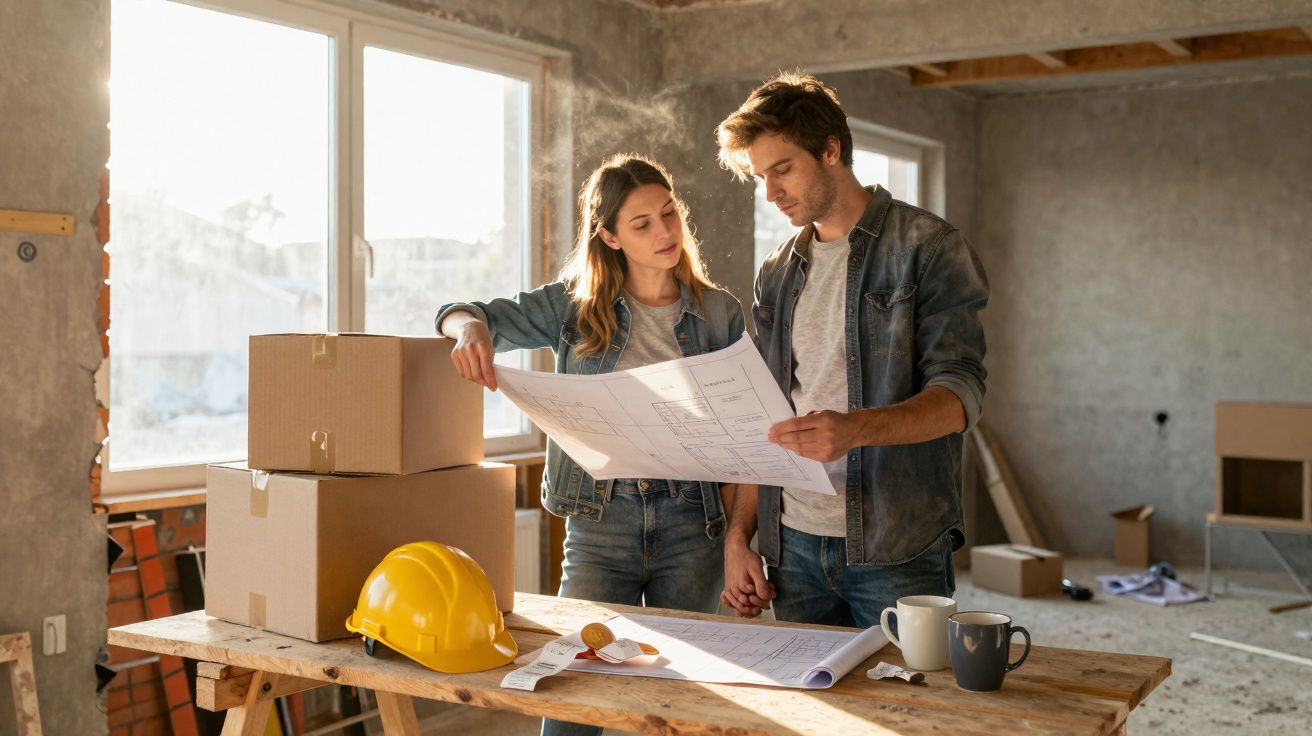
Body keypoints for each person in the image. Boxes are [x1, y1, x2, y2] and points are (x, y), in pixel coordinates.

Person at [436, 153, 745, 736]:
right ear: (608, 236)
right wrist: (471, 328)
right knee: (573, 697)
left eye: (669, 214)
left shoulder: (719, 313)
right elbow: (459, 313)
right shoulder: (573, 307)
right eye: (642, 223)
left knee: (687, 702)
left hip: (692, 524)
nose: (664, 232)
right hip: (601, 525)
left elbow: (740, 431)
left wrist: (739, 538)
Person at [714, 72, 989, 628]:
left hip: (897, 545)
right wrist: (739, 537)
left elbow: (960, 395)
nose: (772, 193)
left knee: (909, 708)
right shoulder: (778, 272)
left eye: (783, 169)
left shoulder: (928, 246)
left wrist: (855, 428)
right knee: (815, 716)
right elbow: (763, 416)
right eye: (762, 177)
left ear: (831, 150)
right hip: (792, 544)